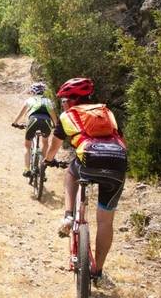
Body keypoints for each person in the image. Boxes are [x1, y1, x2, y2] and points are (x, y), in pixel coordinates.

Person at [43, 77, 127, 285]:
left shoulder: (67, 116)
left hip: (89, 160)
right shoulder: (107, 113)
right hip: (118, 162)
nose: (62, 104)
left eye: (63, 100)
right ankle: (97, 271)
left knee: (72, 172)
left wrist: (47, 160)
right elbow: (118, 137)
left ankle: (69, 216)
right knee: (105, 221)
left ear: (72, 101)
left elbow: (55, 144)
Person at [11, 82, 58, 178]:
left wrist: (15, 123)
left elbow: (21, 113)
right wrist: (55, 125)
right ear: (43, 91)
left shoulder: (29, 100)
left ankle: (27, 169)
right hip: (46, 122)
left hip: (33, 121)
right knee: (45, 143)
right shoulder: (48, 101)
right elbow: (54, 117)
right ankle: (43, 167)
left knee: (27, 146)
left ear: (32, 91)